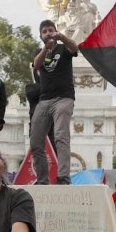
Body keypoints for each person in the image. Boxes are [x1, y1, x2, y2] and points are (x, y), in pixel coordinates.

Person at [30, 20, 77, 185]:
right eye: (44, 31)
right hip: (44, 101)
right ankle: (42, 179)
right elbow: (36, 65)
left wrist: (62, 37)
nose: (48, 33)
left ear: (56, 32)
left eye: (51, 30)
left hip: (64, 98)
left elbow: (75, 48)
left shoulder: (64, 48)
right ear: (41, 36)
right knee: (35, 141)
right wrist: (46, 48)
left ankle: (63, 177)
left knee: (61, 136)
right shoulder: (39, 51)